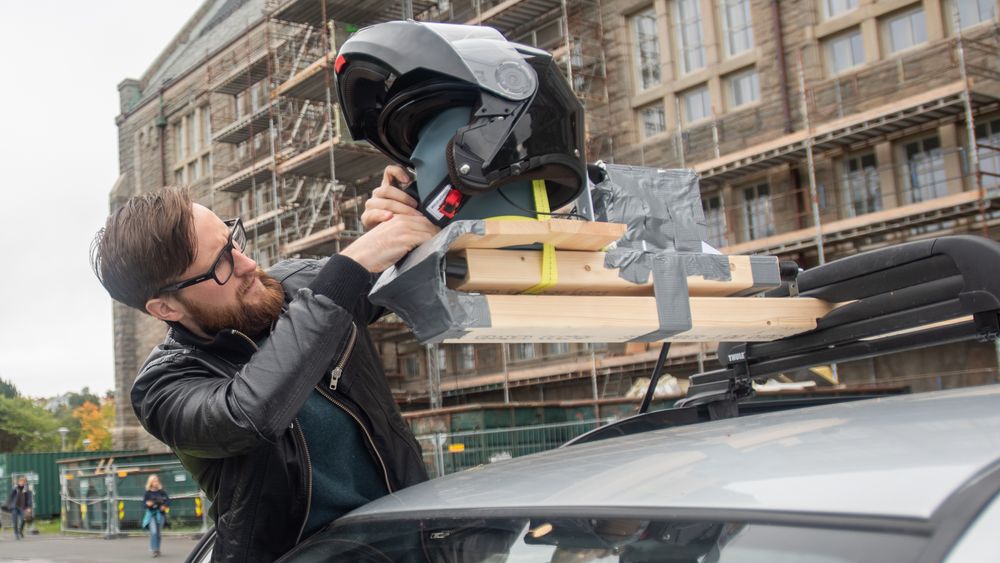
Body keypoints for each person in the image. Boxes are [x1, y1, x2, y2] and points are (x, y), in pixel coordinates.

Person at [89, 166, 436, 562]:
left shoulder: (298, 288)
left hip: (412, 544)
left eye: (232, 239)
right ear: (165, 307)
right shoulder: (163, 388)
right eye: (221, 264)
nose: (248, 264)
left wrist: (411, 205)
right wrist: (351, 265)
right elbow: (248, 414)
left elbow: (411, 272)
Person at [142, 474, 170, 557]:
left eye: (157, 481)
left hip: (160, 514)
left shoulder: (162, 492)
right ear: (150, 482)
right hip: (151, 515)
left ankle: (157, 549)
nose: (156, 483)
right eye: (154, 481)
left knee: (158, 533)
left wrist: (164, 506)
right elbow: (144, 504)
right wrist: (148, 504)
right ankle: (154, 550)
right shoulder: (147, 493)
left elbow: (168, 501)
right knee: (153, 532)